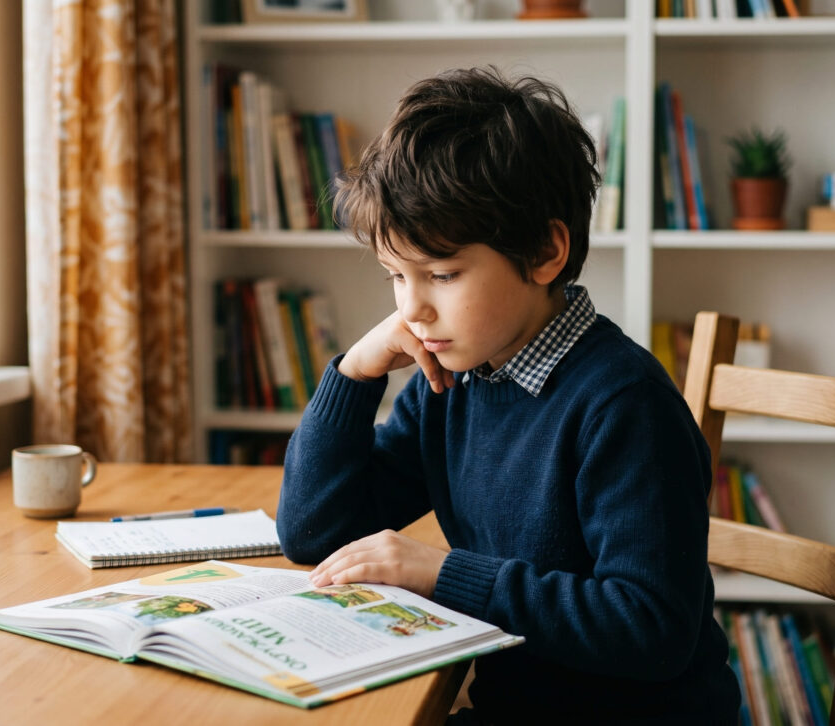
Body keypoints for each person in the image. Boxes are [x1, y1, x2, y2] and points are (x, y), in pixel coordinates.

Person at [276, 66, 740, 724]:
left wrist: (444, 574)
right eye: (394, 276)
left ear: (546, 253)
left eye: (441, 274)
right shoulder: (458, 379)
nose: (414, 310)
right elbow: (314, 534)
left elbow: (651, 628)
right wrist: (353, 375)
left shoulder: (624, 403)